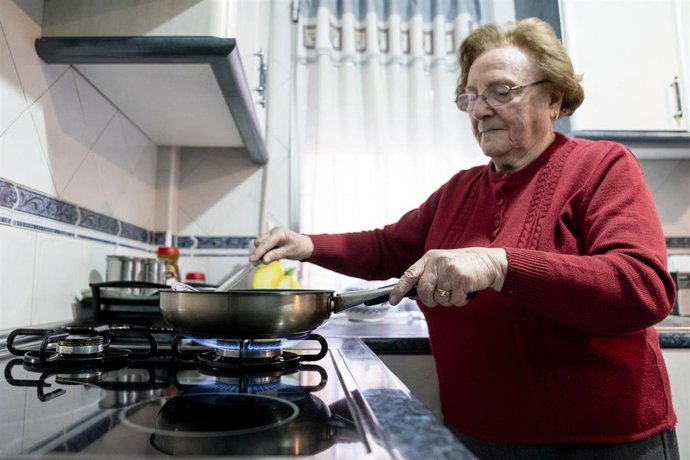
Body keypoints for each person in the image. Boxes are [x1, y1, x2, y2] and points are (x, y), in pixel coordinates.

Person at [250, 17, 679, 459]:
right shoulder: (461, 189)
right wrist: (308, 245)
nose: (479, 110)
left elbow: (642, 286)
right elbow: (387, 247)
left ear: (553, 97)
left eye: (501, 91)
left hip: (600, 445)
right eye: (470, 96)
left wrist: (500, 265)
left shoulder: (602, 166)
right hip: (476, 438)